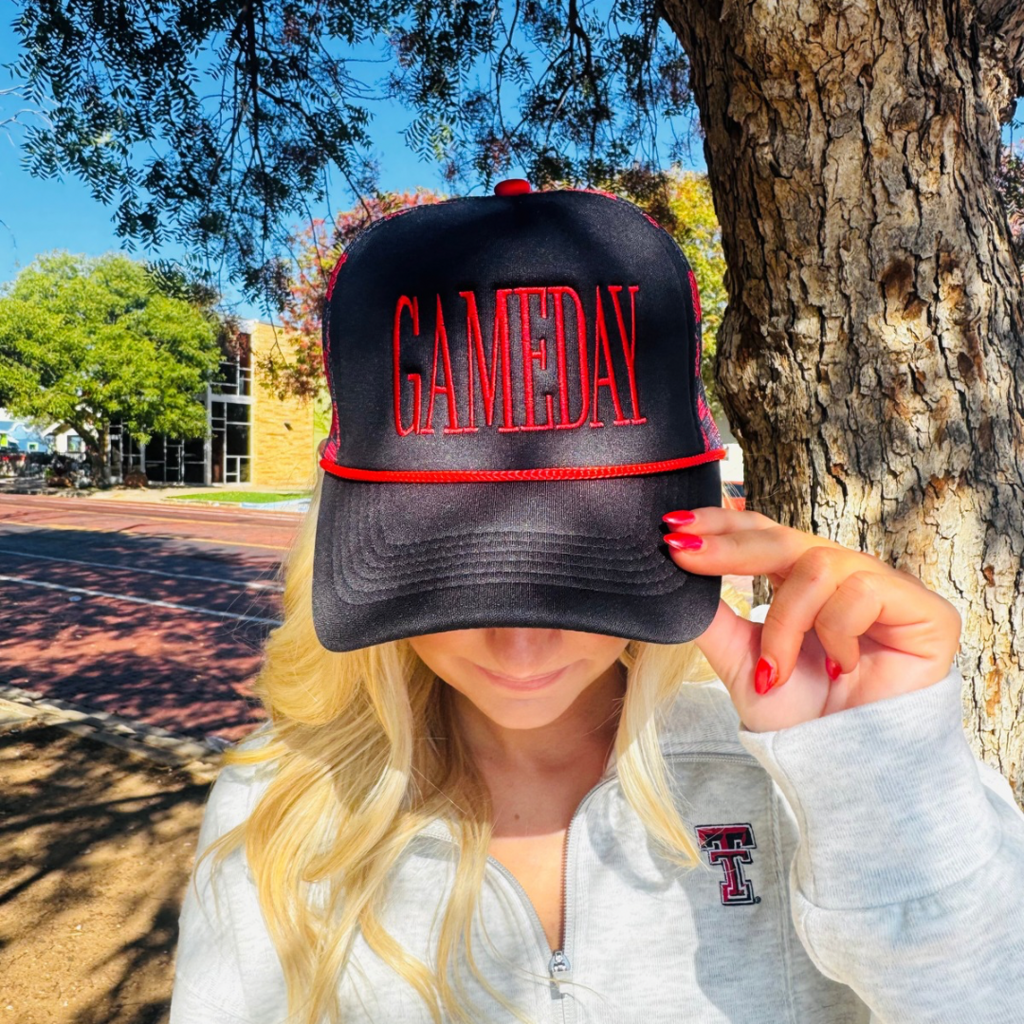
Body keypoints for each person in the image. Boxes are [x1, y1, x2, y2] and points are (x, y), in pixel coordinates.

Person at [170, 182, 1024, 1024]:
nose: (521, 647)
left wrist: (877, 780)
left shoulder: (816, 760)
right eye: (454, 580)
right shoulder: (278, 810)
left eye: (583, 572)